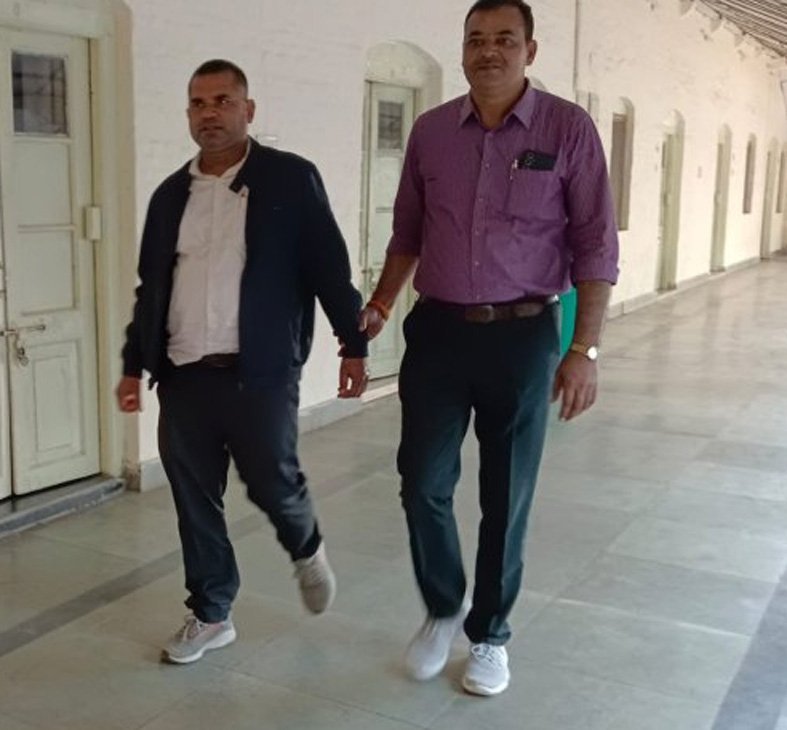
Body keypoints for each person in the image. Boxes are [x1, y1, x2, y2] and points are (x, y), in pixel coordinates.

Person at [359, 0, 619, 696]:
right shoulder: (432, 132)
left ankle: (489, 636)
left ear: (529, 50)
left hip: (524, 336)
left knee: (506, 494)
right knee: (422, 481)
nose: (489, 51)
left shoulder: (567, 129)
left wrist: (584, 350)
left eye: (505, 39)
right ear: (463, 49)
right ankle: (444, 605)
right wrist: (380, 302)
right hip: (439, 333)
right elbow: (407, 232)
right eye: (476, 39)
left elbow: (596, 244)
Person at [116, 59, 369, 665]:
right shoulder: (170, 196)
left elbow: (328, 268)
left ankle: (306, 546)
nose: (210, 113)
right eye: (198, 103)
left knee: (274, 483)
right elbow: (152, 287)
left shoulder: (290, 179)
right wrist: (133, 362)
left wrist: (354, 344)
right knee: (194, 498)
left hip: (261, 372)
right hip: (184, 374)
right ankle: (211, 613)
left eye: (223, 101)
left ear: (247, 110)